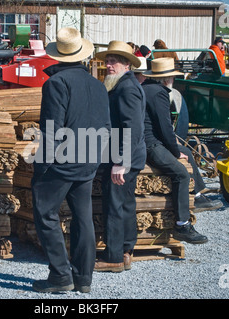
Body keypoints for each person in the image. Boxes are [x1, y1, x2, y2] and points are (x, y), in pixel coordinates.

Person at [31, 27, 111, 293]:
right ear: (81, 55)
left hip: (63, 162)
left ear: (57, 57)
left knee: (45, 213)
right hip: (89, 160)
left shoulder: (55, 83)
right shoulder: (98, 85)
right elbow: (107, 127)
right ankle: (83, 279)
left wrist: (41, 167)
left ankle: (60, 277)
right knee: (82, 217)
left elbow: (51, 129)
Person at [141, 58, 223, 244]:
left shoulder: (148, 88)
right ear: (167, 78)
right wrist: (175, 153)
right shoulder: (159, 93)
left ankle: (198, 195)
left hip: (150, 141)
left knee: (185, 148)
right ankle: (182, 225)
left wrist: (178, 149)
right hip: (151, 144)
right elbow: (165, 127)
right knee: (181, 174)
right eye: (172, 76)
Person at [93, 40, 146, 272]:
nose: (108, 64)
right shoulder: (123, 85)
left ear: (127, 64)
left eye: (113, 61)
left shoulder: (127, 88)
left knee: (115, 205)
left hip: (124, 158)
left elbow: (131, 127)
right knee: (125, 204)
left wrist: (120, 162)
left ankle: (113, 257)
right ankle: (126, 250)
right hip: (126, 156)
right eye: (107, 60)